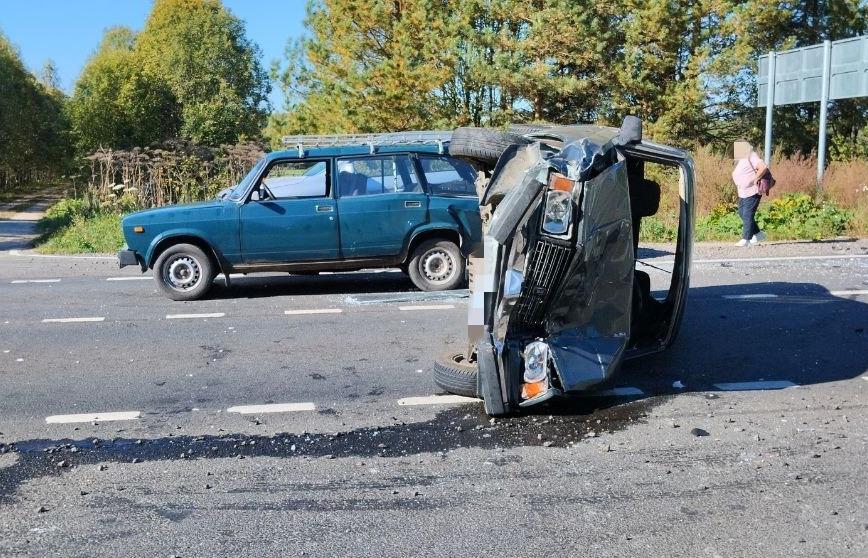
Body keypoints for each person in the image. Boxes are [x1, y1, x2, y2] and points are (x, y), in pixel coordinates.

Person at [732, 141, 768, 247]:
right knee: (742, 212)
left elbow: (763, 166)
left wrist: (755, 179)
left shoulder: (751, 155)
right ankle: (758, 234)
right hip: (743, 191)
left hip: (753, 190)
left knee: (747, 213)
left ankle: (746, 239)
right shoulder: (740, 159)